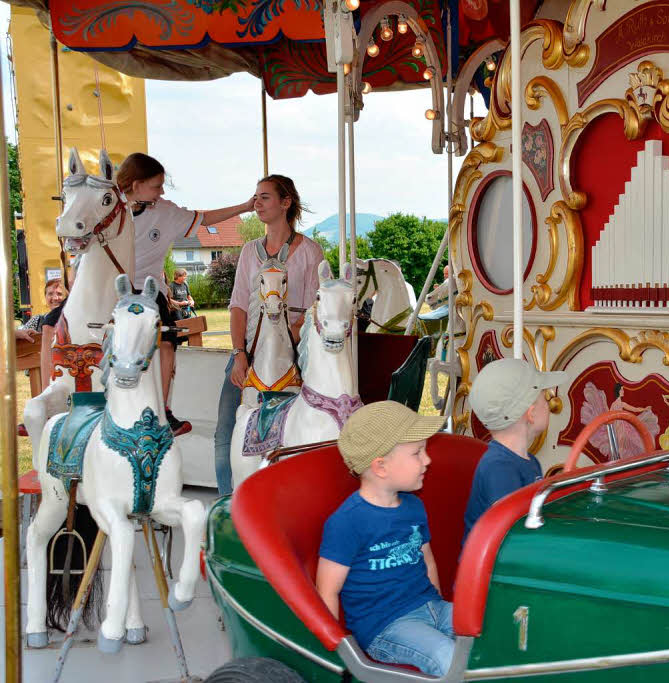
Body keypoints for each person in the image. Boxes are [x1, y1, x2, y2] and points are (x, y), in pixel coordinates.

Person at [117, 152, 254, 434]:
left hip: (149, 289)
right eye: (156, 186)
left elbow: (205, 218)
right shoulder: (110, 208)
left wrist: (245, 206)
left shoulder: (164, 211)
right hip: (114, 288)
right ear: (135, 184)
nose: (162, 191)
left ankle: (163, 411)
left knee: (167, 343)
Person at [315, 401, 453, 676]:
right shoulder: (347, 521)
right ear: (380, 467)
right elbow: (327, 590)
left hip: (431, 607)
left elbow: (426, 559)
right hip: (386, 626)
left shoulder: (414, 506)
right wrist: (335, 655)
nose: (427, 460)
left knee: (490, 632)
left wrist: (437, 602)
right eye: (417, 453)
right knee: (446, 657)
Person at [212, 174, 325, 494]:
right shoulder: (249, 251)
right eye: (256, 197)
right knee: (226, 430)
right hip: (248, 349)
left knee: (306, 427)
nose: (256, 203)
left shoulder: (309, 253)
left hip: (295, 353)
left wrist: (285, 338)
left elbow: (314, 307)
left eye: (264, 197)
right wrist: (239, 352)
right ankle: (227, 504)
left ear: (285, 202)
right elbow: (238, 306)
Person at [462, 358, 566, 539]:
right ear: (531, 413)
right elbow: (512, 533)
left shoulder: (529, 461)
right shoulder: (499, 468)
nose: (549, 404)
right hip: (495, 564)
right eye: (545, 398)